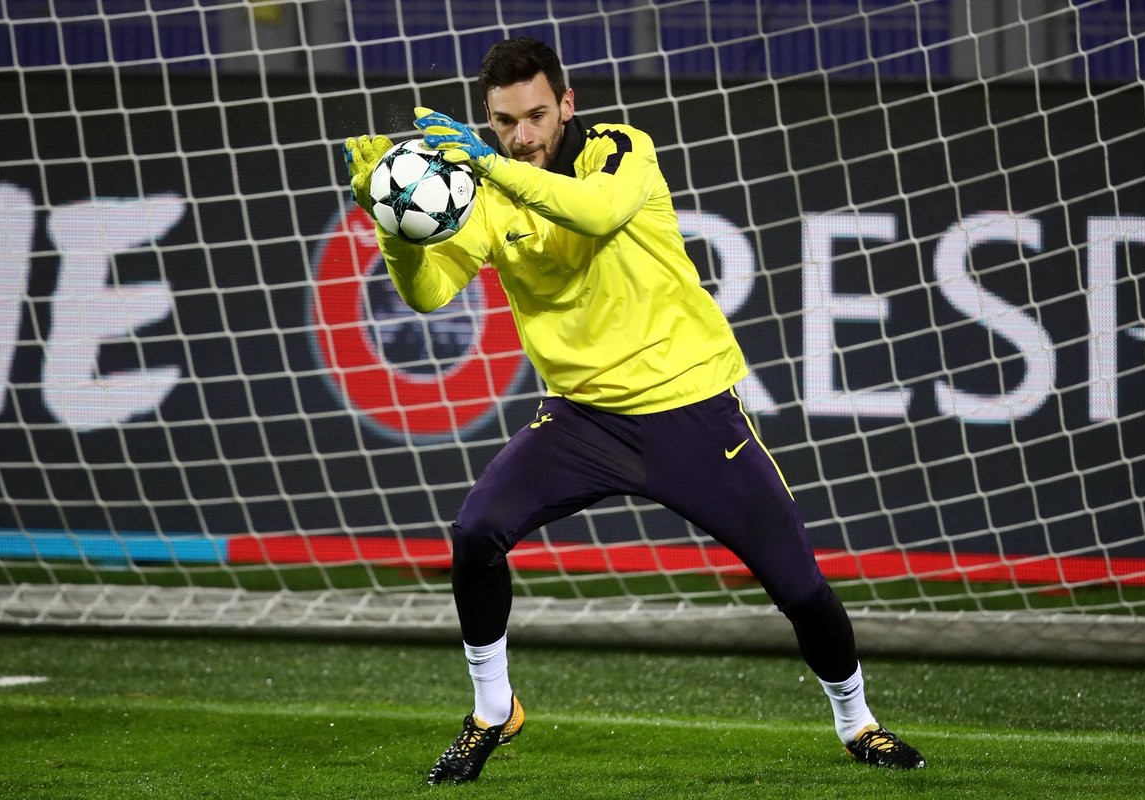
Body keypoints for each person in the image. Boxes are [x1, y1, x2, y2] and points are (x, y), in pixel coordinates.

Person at [343, 36, 925, 785]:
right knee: (477, 533)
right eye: (504, 122)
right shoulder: (486, 193)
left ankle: (858, 722)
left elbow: (595, 213)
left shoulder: (621, 150)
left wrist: (489, 165)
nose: (522, 135)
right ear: (487, 119)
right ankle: (492, 710)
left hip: (692, 412)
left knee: (799, 586)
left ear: (567, 105)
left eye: (536, 115)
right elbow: (428, 294)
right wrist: (392, 226)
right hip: (581, 421)